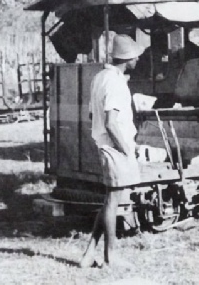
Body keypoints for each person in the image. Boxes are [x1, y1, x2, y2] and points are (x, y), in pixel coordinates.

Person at [79, 34, 144, 268]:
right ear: (128, 59)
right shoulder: (115, 82)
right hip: (115, 145)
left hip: (105, 144)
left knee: (110, 200)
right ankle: (111, 257)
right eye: (136, 57)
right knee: (113, 201)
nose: (137, 61)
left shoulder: (100, 77)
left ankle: (89, 253)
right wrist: (126, 149)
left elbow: (91, 114)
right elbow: (111, 122)